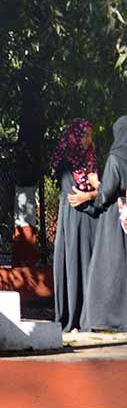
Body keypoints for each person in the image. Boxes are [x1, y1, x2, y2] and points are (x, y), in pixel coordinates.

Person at [73, 115, 127, 332]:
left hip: (115, 218)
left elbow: (106, 194)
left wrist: (95, 184)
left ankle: (103, 318)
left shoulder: (116, 158)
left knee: (107, 268)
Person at [54, 119, 102, 332]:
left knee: (91, 267)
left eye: (90, 135)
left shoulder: (91, 162)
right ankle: (73, 318)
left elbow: (104, 190)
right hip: (74, 221)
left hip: (91, 221)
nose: (88, 140)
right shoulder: (65, 163)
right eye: (84, 135)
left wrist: (92, 195)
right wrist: (94, 197)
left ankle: (90, 317)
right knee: (75, 266)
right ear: (73, 136)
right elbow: (73, 197)